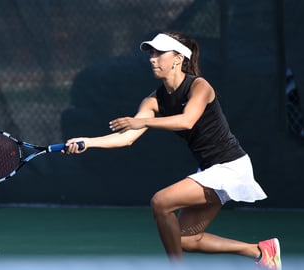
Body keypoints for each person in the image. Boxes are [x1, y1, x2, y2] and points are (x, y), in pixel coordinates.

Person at [64, 31, 281, 269]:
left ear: (178, 58)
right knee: (185, 240)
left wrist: (143, 122)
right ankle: (261, 251)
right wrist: (88, 141)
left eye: (159, 53)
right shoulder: (154, 101)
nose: (152, 59)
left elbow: (187, 120)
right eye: (151, 54)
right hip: (209, 169)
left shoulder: (200, 86)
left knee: (161, 202)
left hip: (230, 166)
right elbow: (127, 138)